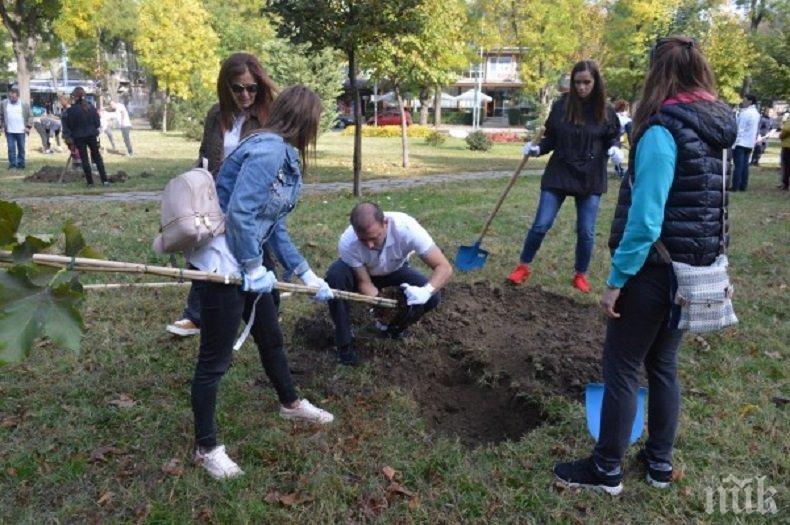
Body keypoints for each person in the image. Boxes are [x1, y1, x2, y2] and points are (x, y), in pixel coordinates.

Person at [553, 36, 736, 495]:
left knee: (622, 366)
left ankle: (607, 469)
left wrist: (617, 280)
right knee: (663, 364)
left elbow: (647, 218)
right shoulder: (713, 130)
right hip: (690, 271)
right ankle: (658, 464)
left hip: (655, 270)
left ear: (659, 74)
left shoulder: (662, 130)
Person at [187, 85, 334, 480]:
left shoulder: (279, 152)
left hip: (247, 259)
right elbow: (239, 214)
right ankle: (206, 447)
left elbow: (273, 225)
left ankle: (290, 402)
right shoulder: (269, 151)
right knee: (213, 361)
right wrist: (253, 267)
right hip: (225, 263)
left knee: (269, 335)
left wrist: (303, 271)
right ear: (307, 124)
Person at [166, 52, 278, 337]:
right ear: (225, 87)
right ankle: (195, 316)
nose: (245, 94)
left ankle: (269, 311)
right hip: (214, 196)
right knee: (206, 249)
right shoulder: (216, 115)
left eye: (251, 87)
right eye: (237, 88)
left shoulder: (268, 117)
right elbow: (205, 153)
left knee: (257, 251)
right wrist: (191, 189)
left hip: (250, 200)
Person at [507, 60, 621, 293]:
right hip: (559, 173)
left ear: (596, 82)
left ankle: (580, 274)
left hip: (590, 178)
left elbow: (612, 138)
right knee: (541, 224)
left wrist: (615, 148)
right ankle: (523, 266)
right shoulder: (561, 107)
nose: (581, 87)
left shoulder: (606, 111)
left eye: (586, 82)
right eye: (577, 82)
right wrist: (537, 149)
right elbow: (550, 138)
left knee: (586, 230)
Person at [324, 202, 453, 366]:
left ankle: (394, 329)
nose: (369, 245)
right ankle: (344, 342)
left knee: (433, 297)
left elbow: (444, 267)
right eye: (363, 240)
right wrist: (378, 305)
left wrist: (426, 291)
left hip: (395, 269)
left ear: (385, 223)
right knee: (335, 276)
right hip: (362, 273)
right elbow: (365, 282)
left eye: (373, 237)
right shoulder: (348, 242)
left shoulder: (407, 228)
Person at [63, 88, 109, 186]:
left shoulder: (71, 110)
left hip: (79, 137)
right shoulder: (91, 108)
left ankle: (90, 183)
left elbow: (69, 126)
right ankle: (105, 180)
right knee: (97, 158)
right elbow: (97, 123)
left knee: (85, 160)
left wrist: (70, 137)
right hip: (92, 135)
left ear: (74, 97)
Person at [731, 93, 759, 191]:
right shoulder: (756, 113)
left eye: (745, 100)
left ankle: (735, 186)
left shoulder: (745, 113)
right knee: (745, 165)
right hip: (749, 142)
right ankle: (743, 185)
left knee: (738, 165)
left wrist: (734, 143)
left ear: (750, 101)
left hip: (741, 142)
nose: (743, 102)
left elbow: (740, 129)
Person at [0, 88, 32, 169]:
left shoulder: (24, 105)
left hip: (21, 130)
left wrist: (28, 127)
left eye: (13, 97)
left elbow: (30, 116)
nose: (12, 99)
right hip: (9, 130)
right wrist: (2, 126)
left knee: (21, 148)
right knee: (11, 148)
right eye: (10, 97)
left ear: (18, 96)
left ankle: (21, 164)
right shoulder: (4, 103)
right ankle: (13, 164)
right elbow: (1, 115)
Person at [612, 99, 632, 179]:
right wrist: (631, 145)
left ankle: (618, 168)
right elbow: (630, 134)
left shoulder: (612, 116)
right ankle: (619, 169)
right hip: (615, 139)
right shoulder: (626, 120)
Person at [780, 115, 790, 191]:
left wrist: (780, 135)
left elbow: (786, 129)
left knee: (786, 166)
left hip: (787, 146)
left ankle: (785, 184)